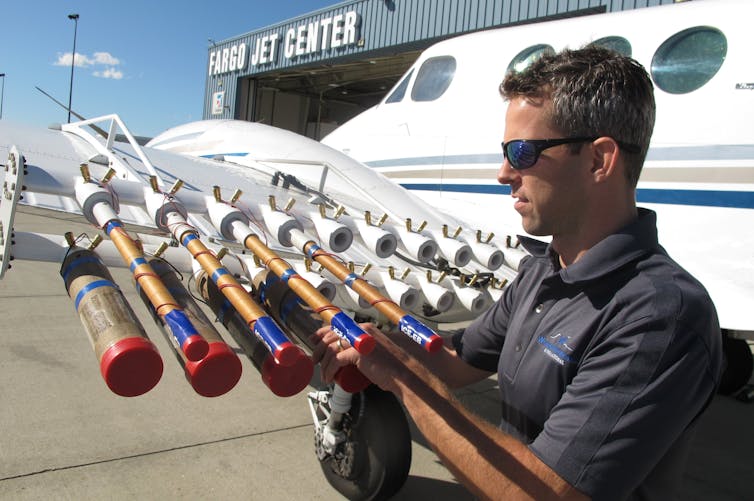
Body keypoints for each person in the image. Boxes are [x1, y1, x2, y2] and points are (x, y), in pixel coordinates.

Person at [312, 46, 723, 500]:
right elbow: (459, 361)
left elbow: (541, 492)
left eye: (523, 152)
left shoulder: (660, 314)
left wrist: (406, 379)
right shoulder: (544, 271)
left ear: (598, 161)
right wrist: (379, 345)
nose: (503, 172)